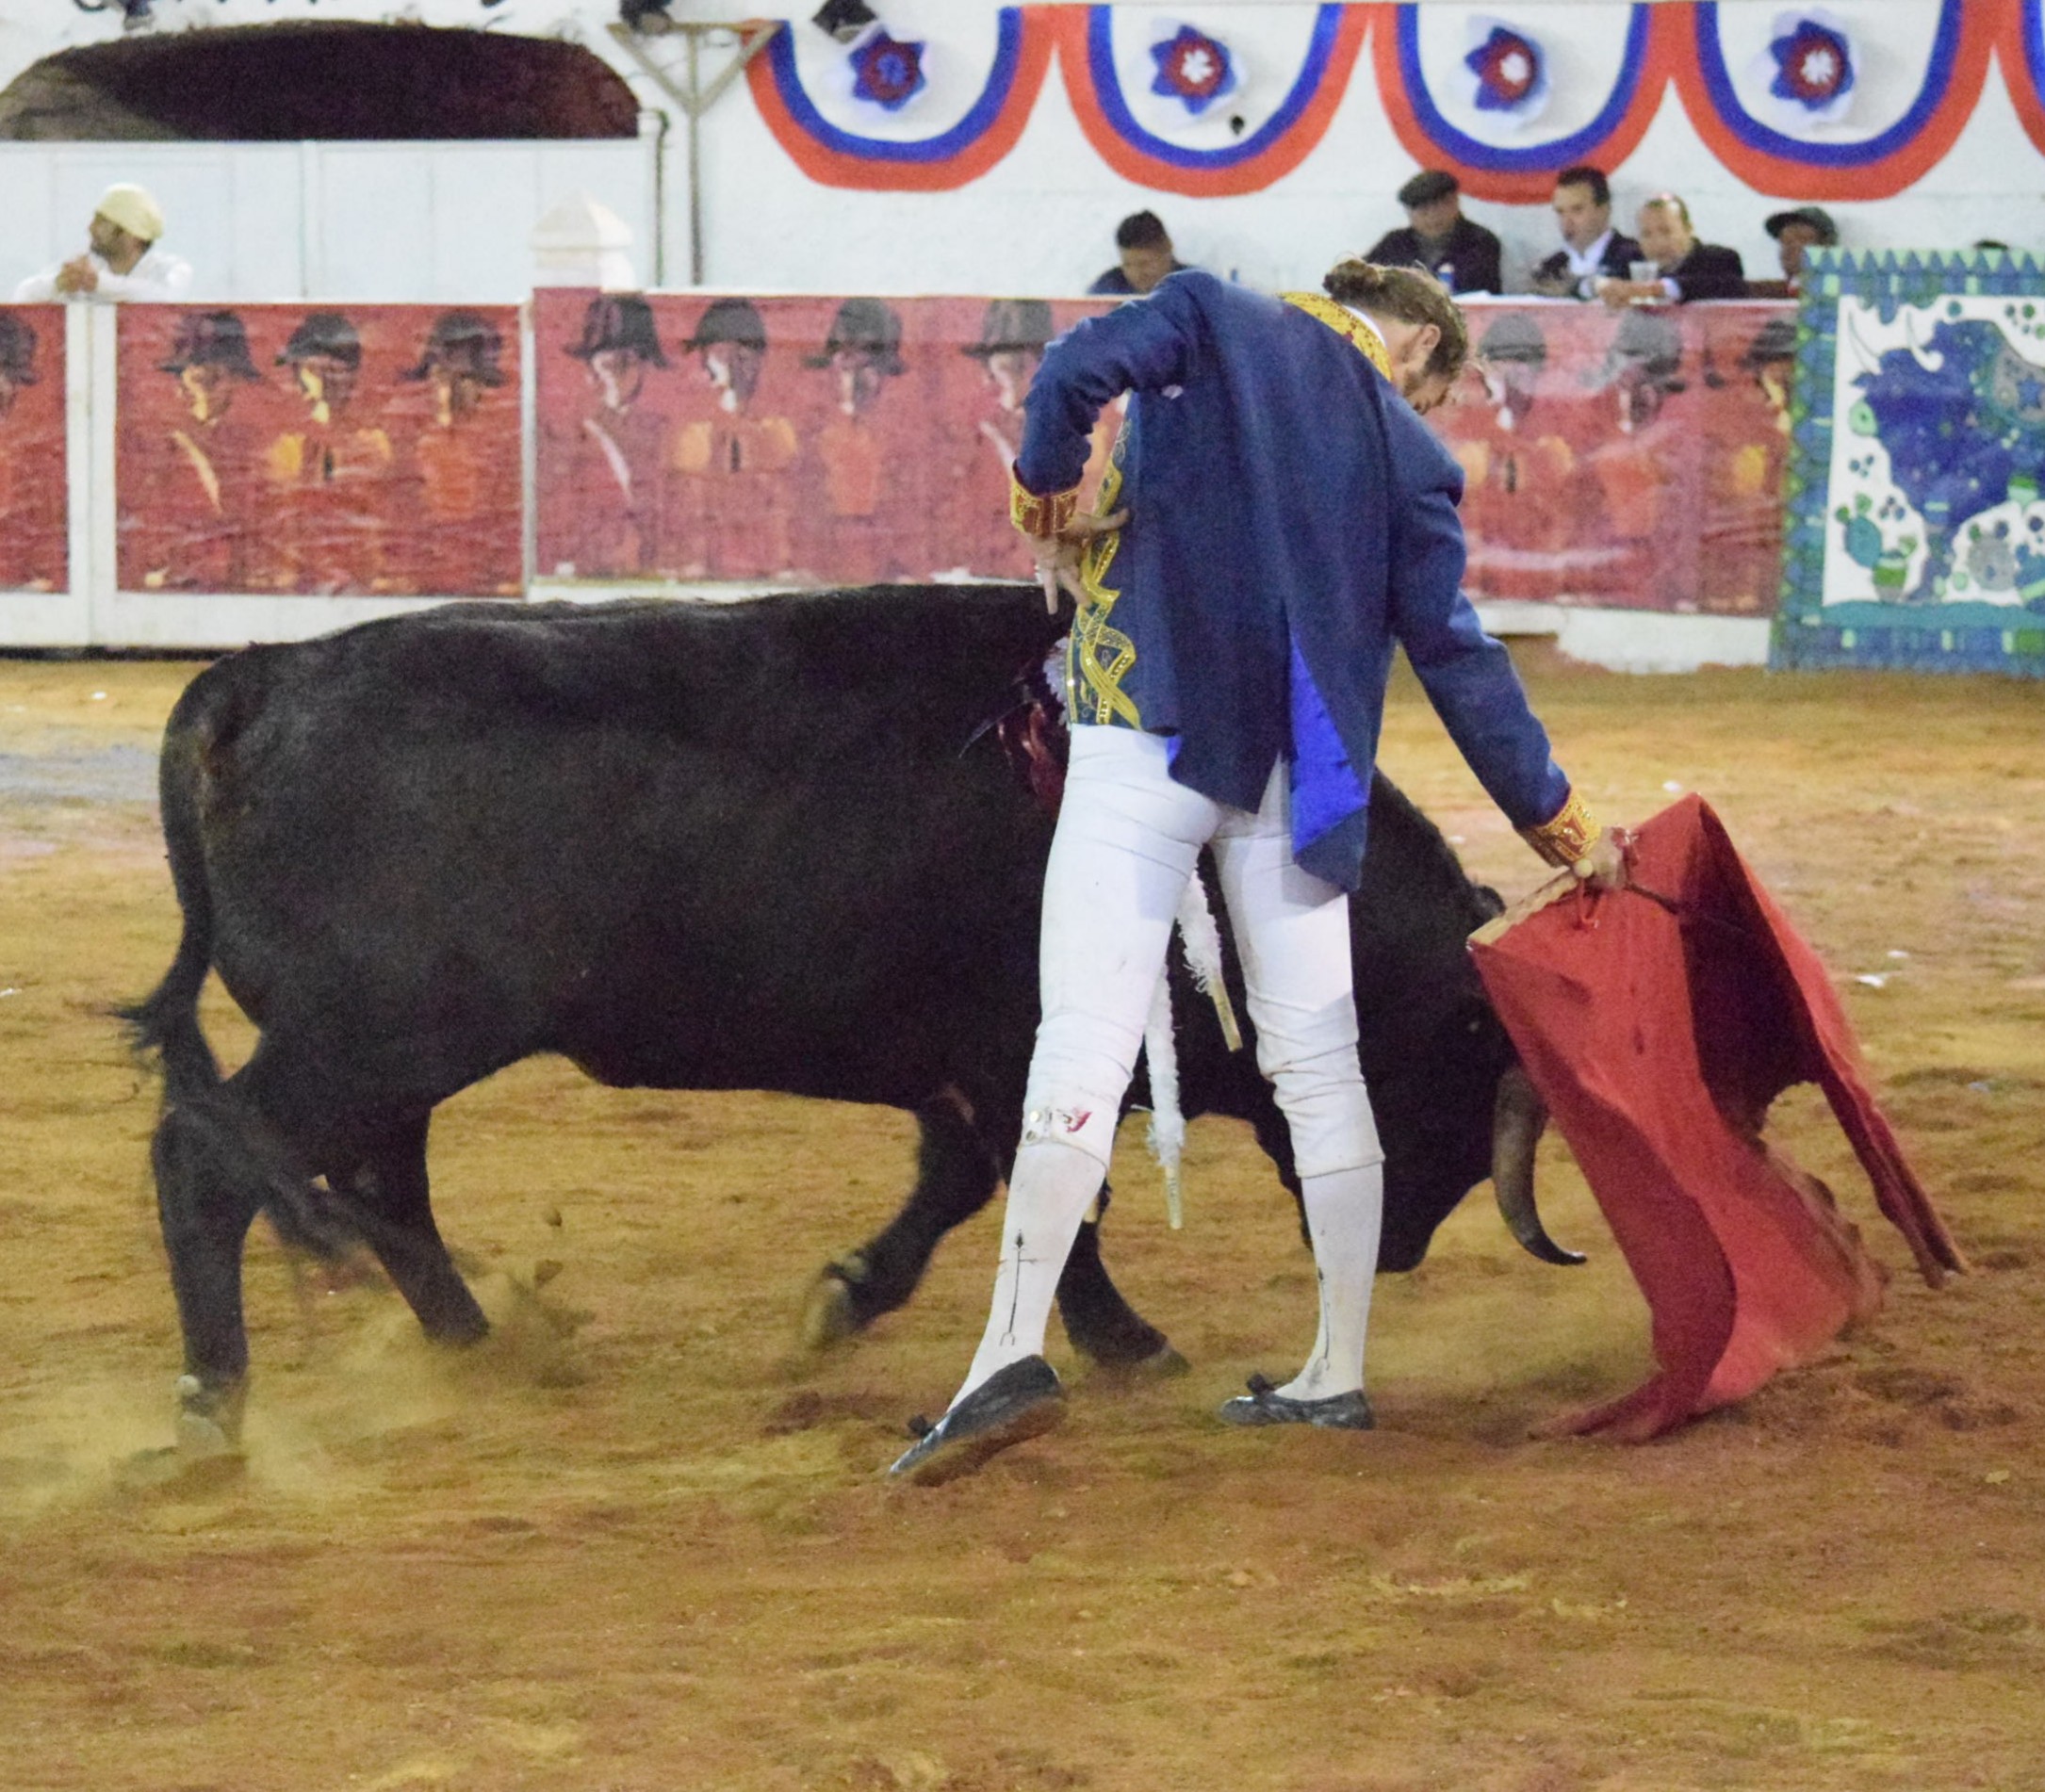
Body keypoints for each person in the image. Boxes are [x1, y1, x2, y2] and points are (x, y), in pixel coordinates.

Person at [889, 261, 1626, 1482]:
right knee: (1316, 1063)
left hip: (1144, 735)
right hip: (1296, 778)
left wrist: (1047, 506)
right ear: (1421, 352)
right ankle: (1333, 1372)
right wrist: (1562, 823)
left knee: (1083, 1042)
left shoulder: (1211, 318)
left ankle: (1006, 1356)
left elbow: (1070, 374)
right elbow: (1457, 659)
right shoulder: (1412, 457)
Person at [131, 309, 265, 593]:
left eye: (217, 379)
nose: (208, 393)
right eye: (202, 380)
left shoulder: (256, 449)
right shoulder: (163, 451)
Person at [669, 297, 798, 579]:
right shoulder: (694, 434)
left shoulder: (777, 432)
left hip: (762, 566)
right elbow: (689, 513)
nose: (733, 366)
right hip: (709, 567)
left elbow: (781, 512)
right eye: (720, 355)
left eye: (744, 356)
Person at [561, 293, 671, 577]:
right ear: (591, 368)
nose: (618, 375)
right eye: (609, 364)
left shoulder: (663, 434)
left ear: (645, 363)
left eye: (629, 361)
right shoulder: (573, 438)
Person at [12, 184, 193, 303]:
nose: (91, 229)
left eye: (102, 222)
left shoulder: (171, 269)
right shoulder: (81, 267)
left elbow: (165, 299)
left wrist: (99, 283)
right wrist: (58, 284)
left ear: (130, 234)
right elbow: (22, 297)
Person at [1365, 171, 1502, 297]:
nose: (1432, 217)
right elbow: (1363, 277)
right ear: (1409, 213)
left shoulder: (1480, 241)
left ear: (1454, 202)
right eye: (1423, 211)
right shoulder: (1394, 243)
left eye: (1438, 208)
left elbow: (1482, 291)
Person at [1596, 195, 1745, 306]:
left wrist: (1659, 289)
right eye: (1646, 234)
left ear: (1689, 230)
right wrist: (1605, 287)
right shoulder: (1631, 259)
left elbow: (1727, 286)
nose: (1657, 243)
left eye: (1666, 231)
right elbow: (1604, 282)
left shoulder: (1720, 259)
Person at [1530, 166, 1642, 300]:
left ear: (1604, 210)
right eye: (1560, 212)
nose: (1567, 221)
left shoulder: (1634, 258)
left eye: (1577, 210)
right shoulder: (1550, 269)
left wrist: (1574, 290)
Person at [1087, 212, 1188, 298]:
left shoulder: (1192, 284)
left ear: (1167, 249)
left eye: (1144, 263)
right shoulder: (1107, 288)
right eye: (1128, 264)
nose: (1136, 274)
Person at [1763, 204, 1838, 295]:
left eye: (1802, 239)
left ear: (1826, 247)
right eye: (1785, 240)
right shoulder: (1770, 294)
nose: (1789, 248)